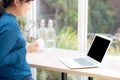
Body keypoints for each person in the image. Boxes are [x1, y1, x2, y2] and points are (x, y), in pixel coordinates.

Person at [0, 0, 39, 80]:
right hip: (17, 76)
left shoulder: (4, 18)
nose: (30, 8)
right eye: (28, 3)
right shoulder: (10, 25)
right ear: (17, 2)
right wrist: (25, 50)